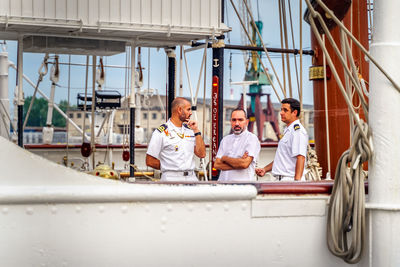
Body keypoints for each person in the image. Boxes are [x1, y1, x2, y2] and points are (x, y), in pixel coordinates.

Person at [146, 97, 206, 181]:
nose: (191, 113)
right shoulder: (161, 132)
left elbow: (201, 154)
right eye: (188, 110)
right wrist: (169, 166)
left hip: (191, 177)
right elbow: (150, 161)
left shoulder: (190, 130)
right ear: (179, 110)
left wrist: (196, 130)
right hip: (171, 178)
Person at [255, 98, 308, 181]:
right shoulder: (288, 131)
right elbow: (282, 159)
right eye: (281, 110)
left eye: (285, 110)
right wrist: (265, 169)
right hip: (282, 179)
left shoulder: (297, 131)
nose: (281, 113)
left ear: (294, 112)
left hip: (290, 180)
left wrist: (297, 183)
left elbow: (301, 157)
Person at [214, 108, 261, 182]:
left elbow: (244, 164)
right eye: (234, 120)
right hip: (222, 185)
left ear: (247, 122)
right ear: (230, 122)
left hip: (242, 187)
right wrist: (238, 163)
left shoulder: (252, 139)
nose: (236, 123)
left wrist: (225, 158)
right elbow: (217, 165)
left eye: (240, 120)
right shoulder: (225, 140)